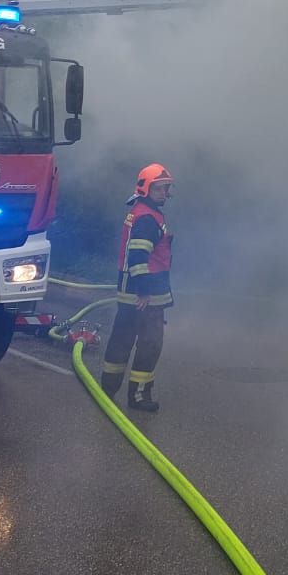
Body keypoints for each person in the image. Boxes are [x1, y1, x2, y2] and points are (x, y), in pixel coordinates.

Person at [98, 163, 175, 412]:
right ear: (146, 189)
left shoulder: (140, 212)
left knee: (121, 339)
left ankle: (107, 389)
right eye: (159, 188)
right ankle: (139, 396)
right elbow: (139, 257)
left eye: (166, 188)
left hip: (130, 293)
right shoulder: (148, 218)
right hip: (145, 297)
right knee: (150, 344)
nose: (164, 192)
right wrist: (144, 292)